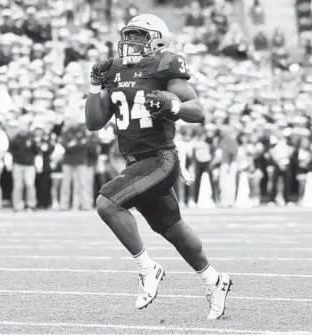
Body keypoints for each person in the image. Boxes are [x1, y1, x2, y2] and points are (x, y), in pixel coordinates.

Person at [84, 14, 232, 319]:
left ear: (157, 40)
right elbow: (94, 122)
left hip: (160, 159)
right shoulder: (113, 69)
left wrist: (172, 106)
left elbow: (198, 112)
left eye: (139, 36)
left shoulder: (166, 64)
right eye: (129, 35)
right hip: (136, 162)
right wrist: (94, 86)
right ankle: (214, 280)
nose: (131, 42)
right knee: (172, 229)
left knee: (107, 204)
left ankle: (148, 269)